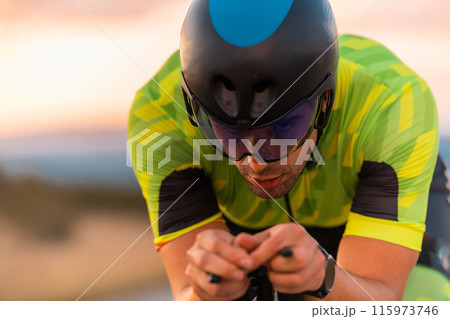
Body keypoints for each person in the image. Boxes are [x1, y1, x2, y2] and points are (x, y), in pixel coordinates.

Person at [128, 0, 442, 300]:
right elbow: (188, 297)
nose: (257, 162)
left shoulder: (394, 105)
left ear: (325, 102)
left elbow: (382, 298)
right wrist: (202, 293)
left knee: (429, 299)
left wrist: (324, 278)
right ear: (195, 111)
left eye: (283, 128)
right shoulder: (159, 115)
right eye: (228, 131)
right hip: (239, 222)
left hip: (359, 206)